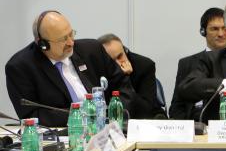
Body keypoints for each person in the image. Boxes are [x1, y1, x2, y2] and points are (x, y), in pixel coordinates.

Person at [5, 10, 135, 126]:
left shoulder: (92, 50)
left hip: (108, 128)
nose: (71, 42)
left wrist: (115, 116)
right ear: (43, 44)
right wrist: (83, 116)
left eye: (71, 34)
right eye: (62, 39)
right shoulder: (20, 67)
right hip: (66, 135)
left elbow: (123, 86)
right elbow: (32, 114)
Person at [168, 7, 226, 119]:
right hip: (194, 124)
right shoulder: (186, 63)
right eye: (214, 29)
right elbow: (177, 106)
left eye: (224, 28)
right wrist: (188, 127)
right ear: (203, 32)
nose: (221, 34)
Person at [98, 33, 164, 118]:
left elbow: (145, 109)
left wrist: (125, 79)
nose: (118, 63)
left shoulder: (144, 66)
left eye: (120, 56)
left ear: (125, 51)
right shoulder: (99, 69)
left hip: (140, 118)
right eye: (112, 61)